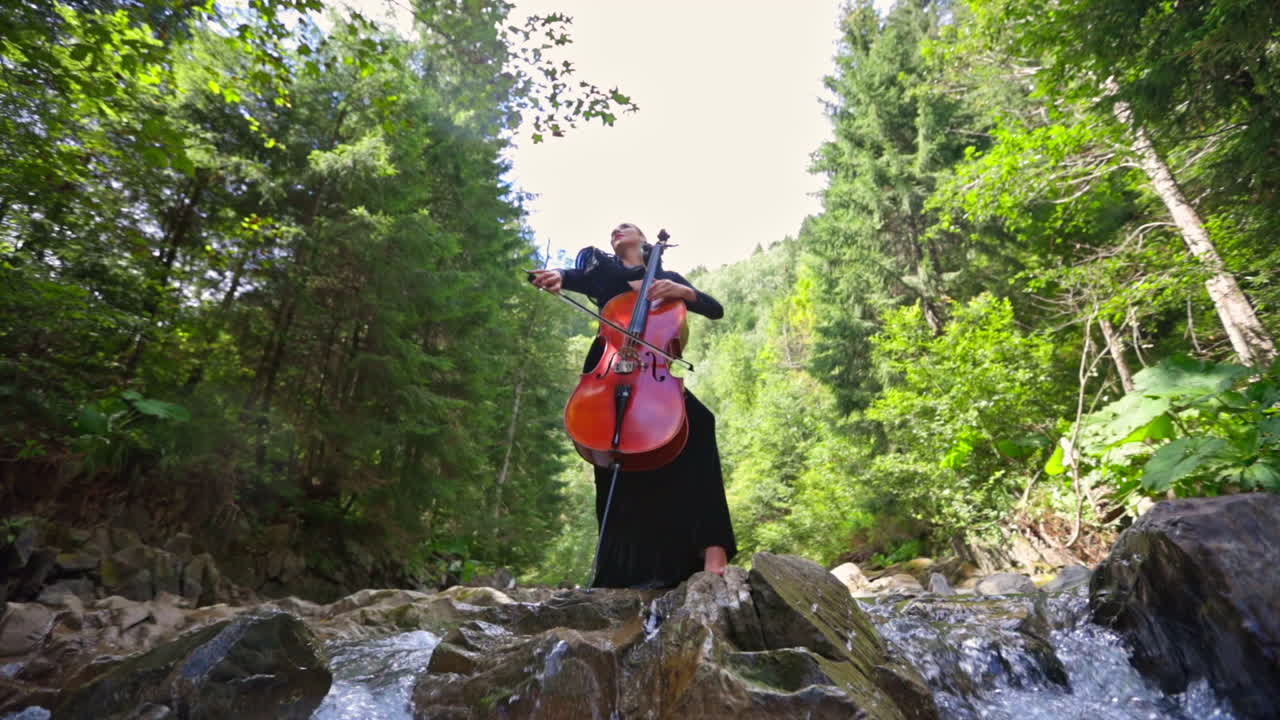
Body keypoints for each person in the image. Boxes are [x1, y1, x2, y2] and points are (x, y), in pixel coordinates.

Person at [529, 222, 737, 589]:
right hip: (610, 370)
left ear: (642, 239)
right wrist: (555, 276)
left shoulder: (667, 279)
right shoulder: (602, 273)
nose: (618, 230)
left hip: (652, 376)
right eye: (614, 230)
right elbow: (569, 276)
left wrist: (684, 292)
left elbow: (715, 309)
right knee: (610, 455)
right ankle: (617, 569)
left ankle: (713, 548)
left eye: (627, 227)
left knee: (700, 423)